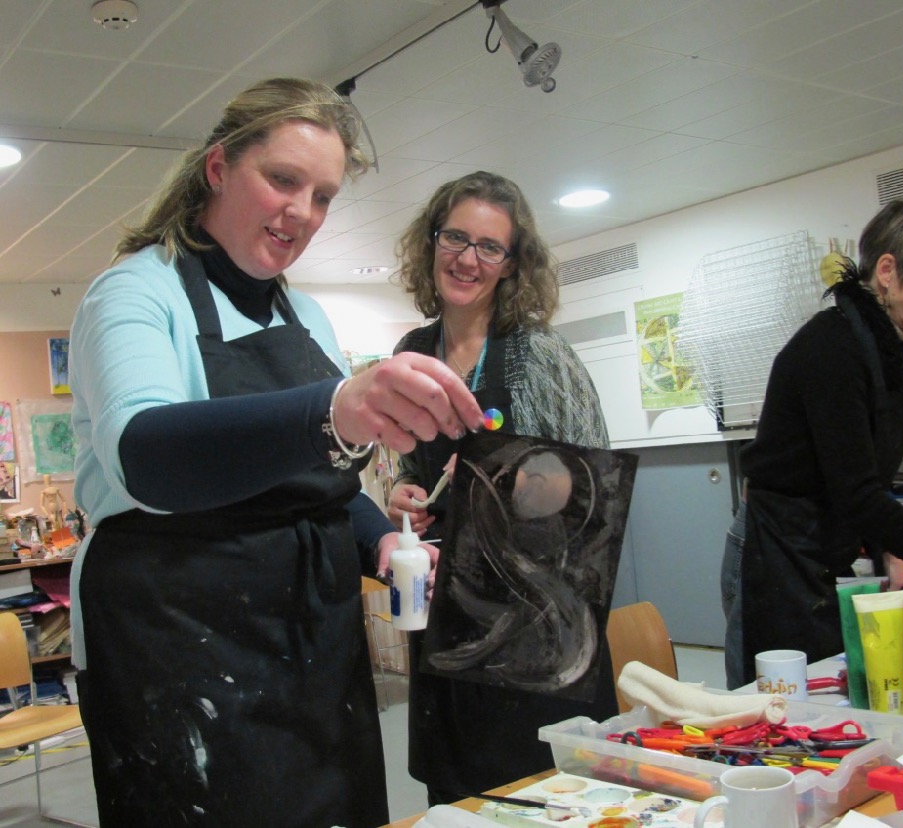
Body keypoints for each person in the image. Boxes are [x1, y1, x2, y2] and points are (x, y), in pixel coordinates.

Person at [68, 77, 481, 828]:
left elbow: (316, 481)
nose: (303, 213)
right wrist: (331, 409)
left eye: (323, 195)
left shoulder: (306, 312)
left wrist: (379, 538)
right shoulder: (132, 294)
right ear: (219, 168)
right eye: (283, 180)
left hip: (313, 641)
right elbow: (147, 458)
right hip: (180, 641)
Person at [386, 170, 617, 805]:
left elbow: (593, 495)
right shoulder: (411, 352)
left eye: (490, 246)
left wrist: (503, 480)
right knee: (458, 795)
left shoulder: (540, 354)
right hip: (448, 624)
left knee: (535, 794)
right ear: (430, 242)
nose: (467, 259)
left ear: (514, 264)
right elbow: (409, 467)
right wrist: (402, 495)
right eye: (454, 237)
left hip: (535, 627)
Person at [721, 198, 903, 689]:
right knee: (775, 706)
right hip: (773, 549)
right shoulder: (832, 349)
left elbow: (861, 475)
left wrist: (890, 552)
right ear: (888, 270)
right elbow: (858, 492)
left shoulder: (879, 346)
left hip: (816, 545)